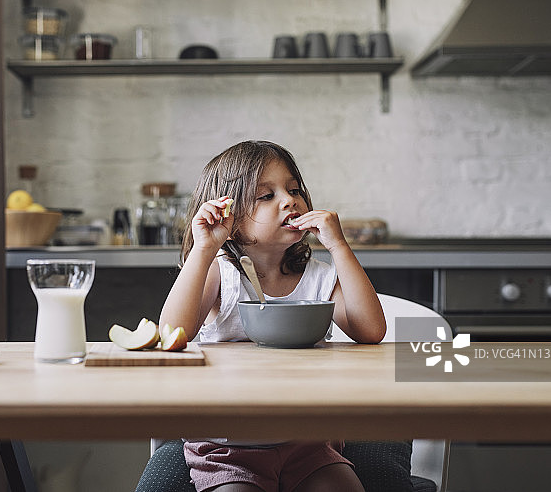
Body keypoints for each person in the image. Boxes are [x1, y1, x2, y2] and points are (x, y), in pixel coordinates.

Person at [160, 140, 386, 492]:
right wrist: (205, 248)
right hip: (227, 446)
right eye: (266, 195)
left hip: (309, 443)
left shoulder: (318, 276)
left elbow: (370, 331)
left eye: (294, 189)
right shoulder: (222, 273)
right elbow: (171, 333)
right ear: (228, 216)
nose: (289, 200)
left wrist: (339, 246)